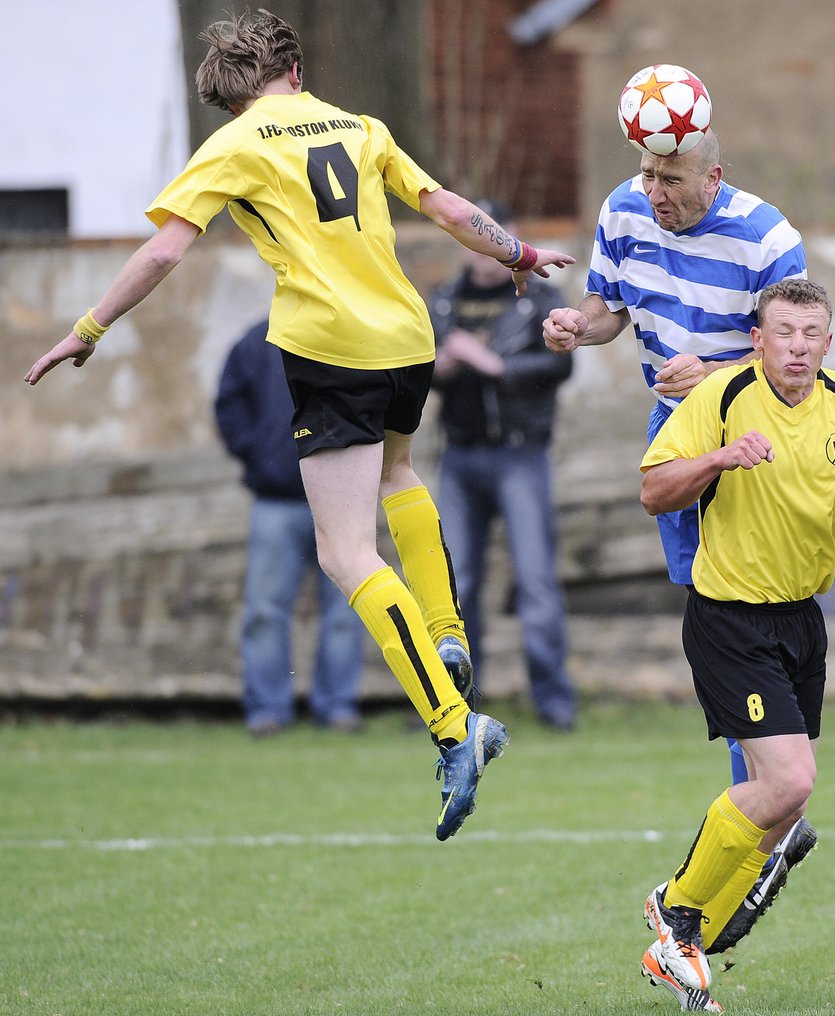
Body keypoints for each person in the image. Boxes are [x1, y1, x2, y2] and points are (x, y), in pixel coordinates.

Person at [24, 9, 575, 842]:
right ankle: (447, 634)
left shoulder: (237, 143)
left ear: (237, 92)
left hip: (332, 349)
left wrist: (90, 328)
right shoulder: (361, 126)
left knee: (344, 552)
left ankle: (452, 723)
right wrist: (521, 256)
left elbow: (166, 251)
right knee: (401, 476)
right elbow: (448, 207)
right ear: (295, 68)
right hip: (407, 336)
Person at [542, 124, 814, 945]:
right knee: (721, 626)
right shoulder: (623, 211)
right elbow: (607, 312)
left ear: (714, 174)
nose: (653, 190)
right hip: (676, 451)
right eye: (646, 173)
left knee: (740, 627)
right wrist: (573, 328)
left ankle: (764, 826)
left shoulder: (769, 239)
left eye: (670, 177)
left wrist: (721, 374)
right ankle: (768, 819)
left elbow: (795, 359)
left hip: (749, 454)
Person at [636, 279, 835, 1012]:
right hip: (728, 615)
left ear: (828, 343)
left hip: (800, 621)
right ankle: (677, 915)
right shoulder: (721, 399)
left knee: (784, 801)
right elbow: (655, 490)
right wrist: (719, 460)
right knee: (789, 782)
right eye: (782, 332)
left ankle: (696, 936)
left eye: (810, 334)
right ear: (757, 340)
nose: (796, 346)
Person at [429, 198, 577, 731]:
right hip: (460, 455)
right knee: (455, 585)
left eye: (497, 235)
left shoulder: (539, 296)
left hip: (520, 454)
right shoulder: (444, 301)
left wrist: (494, 365)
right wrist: (439, 367)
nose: (486, 249)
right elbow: (416, 365)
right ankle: (457, 709)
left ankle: (554, 702)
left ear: (509, 236)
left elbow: (560, 365)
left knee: (535, 580)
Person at [215, 319, 366, 736]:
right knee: (264, 610)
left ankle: (338, 706)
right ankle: (267, 710)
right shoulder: (253, 342)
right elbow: (229, 405)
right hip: (276, 500)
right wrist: (260, 456)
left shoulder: (352, 334)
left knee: (348, 609)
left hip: (342, 500)